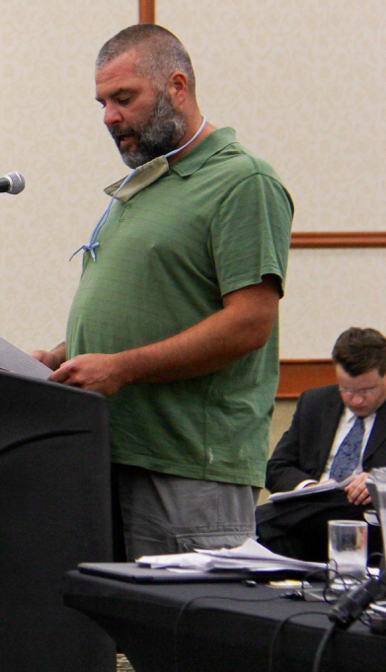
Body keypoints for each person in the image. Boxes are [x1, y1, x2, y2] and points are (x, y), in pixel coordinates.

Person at [32, 25, 293, 559]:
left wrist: (122, 367)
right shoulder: (145, 187)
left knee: (188, 639)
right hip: (110, 452)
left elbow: (249, 323)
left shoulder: (242, 181)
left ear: (177, 86)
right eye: (103, 102)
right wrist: (58, 359)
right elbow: (152, 308)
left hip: (190, 468)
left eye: (124, 98)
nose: (108, 116)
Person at [257, 328, 386, 562]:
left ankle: (257, 520)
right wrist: (310, 488)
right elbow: (277, 468)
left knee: (267, 524)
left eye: (366, 390)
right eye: (346, 389)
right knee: (278, 540)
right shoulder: (315, 403)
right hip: (312, 520)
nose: (356, 400)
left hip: (369, 519)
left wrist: (380, 480)